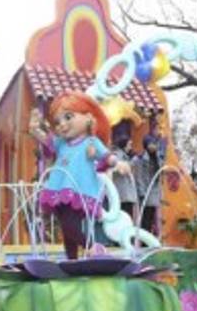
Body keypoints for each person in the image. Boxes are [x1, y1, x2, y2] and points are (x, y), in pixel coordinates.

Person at [28, 91, 130, 259]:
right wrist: (34, 129)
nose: (62, 124)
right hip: (58, 189)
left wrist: (118, 163)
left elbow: (106, 156)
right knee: (66, 227)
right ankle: (72, 260)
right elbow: (45, 139)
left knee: (70, 225)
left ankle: (92, 248)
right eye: (58, 122)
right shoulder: (61, 143)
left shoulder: (91, 142)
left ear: (88, 117)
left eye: (68, 117)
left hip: (79, 189)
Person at [130, 132, 165, 237]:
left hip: (154, 191)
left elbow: (161, 170)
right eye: (151, 143)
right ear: (146, 145)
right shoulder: (139, 159)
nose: (154, 146)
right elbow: (138, 176)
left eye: (154, 143)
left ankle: (148, 239)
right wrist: (142, 193)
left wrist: (158, 155)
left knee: (151, 218)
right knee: (145, 218)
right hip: (145, 192)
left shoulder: (157, 157)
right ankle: (143, 240)